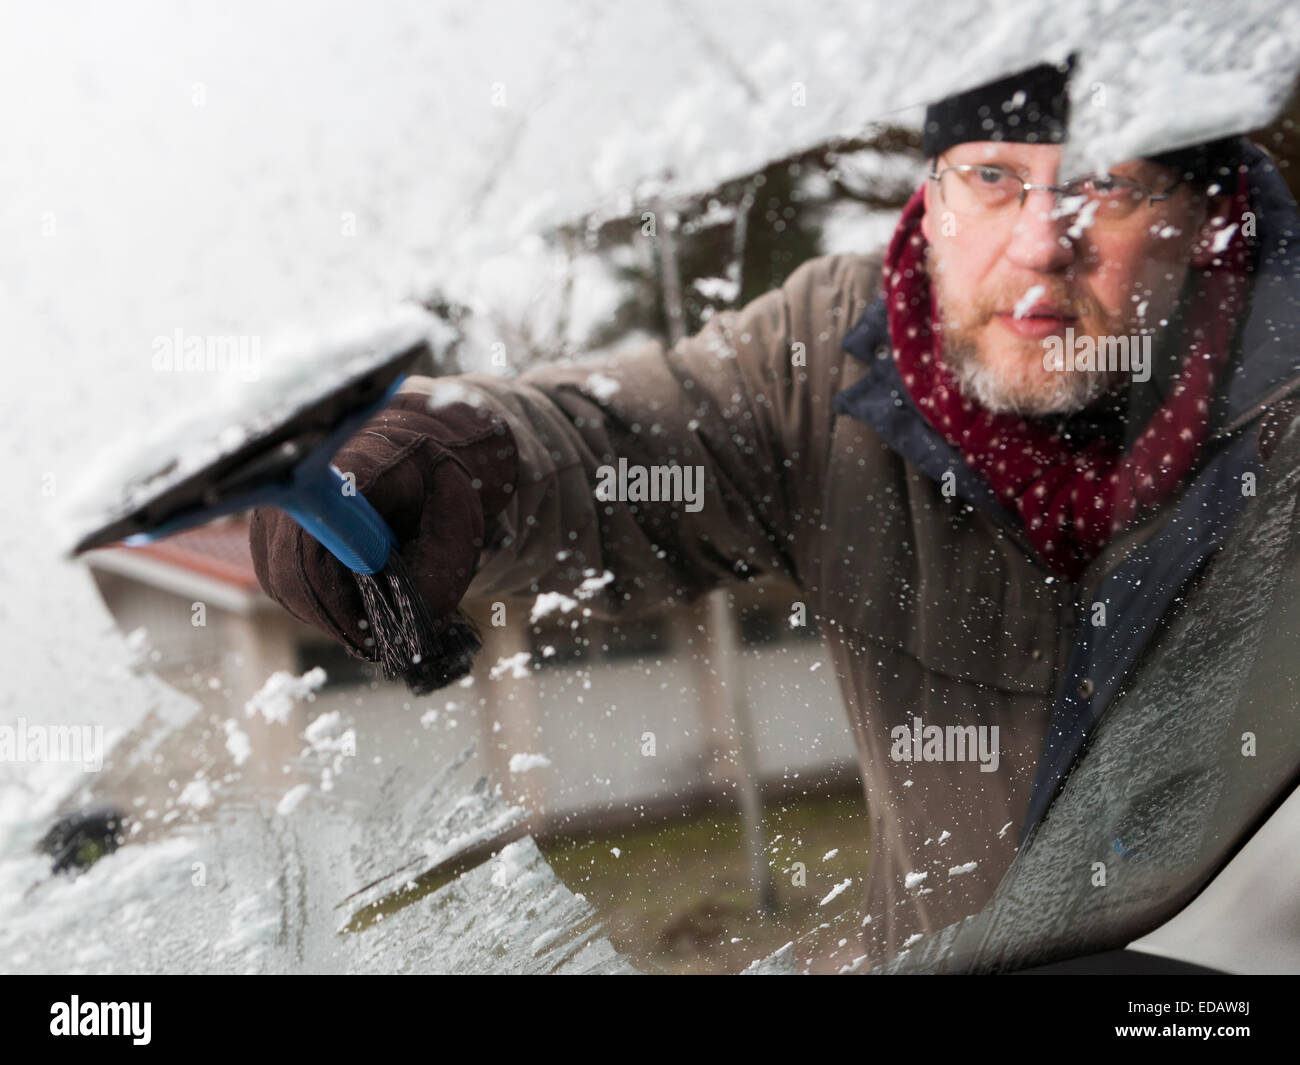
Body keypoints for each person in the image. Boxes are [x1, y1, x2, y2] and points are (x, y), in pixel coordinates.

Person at [249, 59, 1300, 963]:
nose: (1037, 242)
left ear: (1205, 215)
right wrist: (455, 461)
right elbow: (622, 442)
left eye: (1105, 187)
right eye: (990, 177)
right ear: (930, 196)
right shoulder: (832, 354)